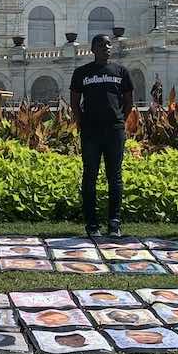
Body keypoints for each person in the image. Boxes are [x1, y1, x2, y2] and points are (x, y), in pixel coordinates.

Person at [70, 33, 134, 237]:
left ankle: (114, 222)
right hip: (90, 131)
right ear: (93, 49)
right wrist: (81, 122)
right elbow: (74, 102)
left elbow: (128, 101)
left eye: (108, 44)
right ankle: (91, 224)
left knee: (114, 177)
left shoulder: (121, 71)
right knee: (90, 176)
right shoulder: (82, 72)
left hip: (114, 131)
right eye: (101, 44)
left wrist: (119, 121)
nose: (107, 47)